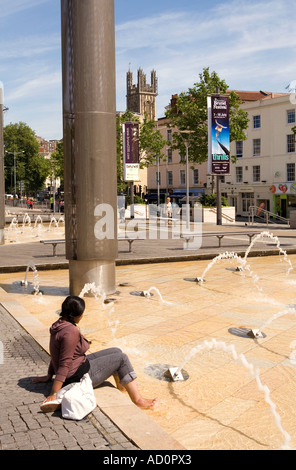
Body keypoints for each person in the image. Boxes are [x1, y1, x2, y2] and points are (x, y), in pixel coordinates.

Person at [33, 296, 158, 412]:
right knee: (122, 358)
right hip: (77, 377)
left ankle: (122, 388)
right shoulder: (70, 331)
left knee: (116, 351)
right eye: (82, 313)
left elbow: (56, 353)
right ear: (75, 315)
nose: (83, 315)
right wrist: (53, 393)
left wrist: (49, 375)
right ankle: (138, 400)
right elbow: (64, 362)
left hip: (78, 364)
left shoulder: (59, 324)